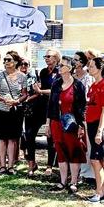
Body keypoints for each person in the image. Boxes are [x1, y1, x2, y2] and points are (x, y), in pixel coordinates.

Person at [46, 56, 88, 193]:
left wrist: (81, 125)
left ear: (69, 68)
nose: (59, 66)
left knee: (74, 150)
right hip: (56, 122)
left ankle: (74, 181)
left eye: (62, 65)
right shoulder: (56, 83)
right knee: (60, 150)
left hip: (71, 123)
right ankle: (62, 181)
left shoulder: (78, 85)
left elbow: (82, 107)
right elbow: (51, 105)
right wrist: (48, 123)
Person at [0, 51, 27, 174]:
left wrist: (16, 101)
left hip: (15, 111)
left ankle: (10, 166)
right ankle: (2, 166)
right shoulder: (0, 75)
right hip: (0, 110)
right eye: (5, 60)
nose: (6, 62)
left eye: (8, 60)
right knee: (1, 138)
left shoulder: (22, 76)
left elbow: (25, 94)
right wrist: (3, 99)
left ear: (15, 62)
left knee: (12, 139)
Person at [86, 57, 104, 203]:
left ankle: (99, 192)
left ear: (100, 68)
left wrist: (99, 131)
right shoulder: (93, 85)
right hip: (91, 123)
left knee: (96, 159)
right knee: (100, 159)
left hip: (100, 124)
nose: (89, 68)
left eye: (91, 66)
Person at [33, 48, 61, 176]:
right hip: (41, 105)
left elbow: (57, 91)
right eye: (45, 56)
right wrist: (37, 89)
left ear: (56, 58)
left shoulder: (60, 72)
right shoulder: (43, 72)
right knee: (31, 132)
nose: (46, 58)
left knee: (51, 136)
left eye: (49, 56)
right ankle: (32, 163)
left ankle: (50, 165)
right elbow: (42, 87)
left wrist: (41, 91)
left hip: (54, 106)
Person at [73, 51, 95, 181]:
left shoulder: (88, 78)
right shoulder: (72, 77)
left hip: (85, 113)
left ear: (82, 62)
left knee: (86, 143)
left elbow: (90, 97)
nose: (74, 62)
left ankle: (86, 172)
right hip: (72, 113)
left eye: (76, 60)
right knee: (75, 143)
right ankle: (75, 170)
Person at [21, 59, 42, 177]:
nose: (24, 66)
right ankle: (31, 162)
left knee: (30, 135)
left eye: (26, 64)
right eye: (22, 64)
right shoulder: (16, 77)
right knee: (24, 137)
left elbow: (38, 92)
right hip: (19, 108)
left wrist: (27, 99)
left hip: (33, 109)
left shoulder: (32, 76)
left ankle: (31, 164)